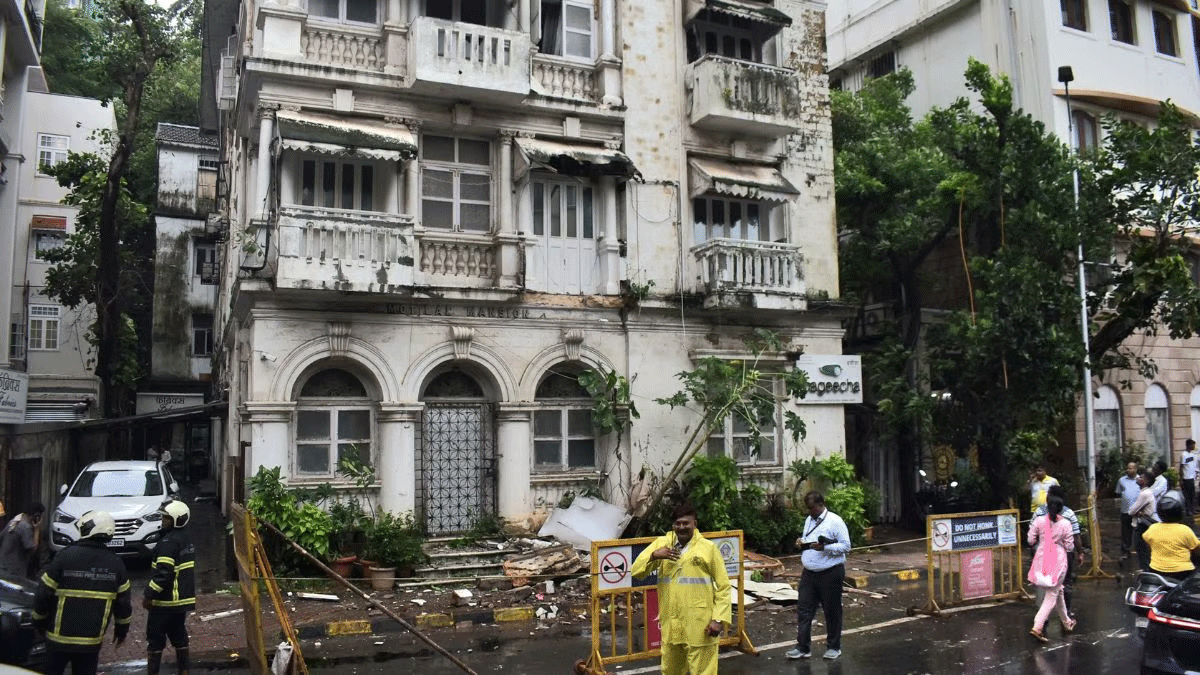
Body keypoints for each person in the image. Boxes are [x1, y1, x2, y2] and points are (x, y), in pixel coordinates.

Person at [630, 503, 730, 675]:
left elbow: (723, 586)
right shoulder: (662, 544)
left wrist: (718, 619)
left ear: (695, 524)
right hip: (672, 622)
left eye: (686, 523)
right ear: (673, 525)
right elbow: (636, 572)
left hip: (700, 623)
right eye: (678, 523)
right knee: (670, 670)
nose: (682, 527)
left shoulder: (708, 548)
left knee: (703, 671)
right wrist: (654, 556)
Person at [33, 510, 132, 675]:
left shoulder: (64, 557)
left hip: (57, 640)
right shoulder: (117, 564)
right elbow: (124, 606)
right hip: (90, 643)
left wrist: (39, 622)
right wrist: (121, 631)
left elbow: (43, 593)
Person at [786, 491, 852, 661]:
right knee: (804, 610)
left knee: (831, 611)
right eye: (808, 509)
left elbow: (846, 546)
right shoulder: (809, 520)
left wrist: (824, 548)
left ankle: (833, 647)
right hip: (809, 572)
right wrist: (802, 542)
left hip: (830, 572)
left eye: (813, 508)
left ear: (821, 504)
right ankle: (803, 647)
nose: (810, 512)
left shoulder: (835, 521)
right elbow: (810, 538)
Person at [144, 500, 196, 675]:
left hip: (165, 602)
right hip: (181, 602)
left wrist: (149, 594)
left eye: (166, 519)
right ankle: (184, 671)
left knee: (155, 639)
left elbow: (164, 574)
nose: (163, 522)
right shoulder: (186, 539)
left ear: (176, 520)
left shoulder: (168, 542)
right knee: (179, 636)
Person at [1027, 494, 1076, 642]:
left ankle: (1067, 622)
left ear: (1047, 506)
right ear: (1061, 510)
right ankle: (1037, 626)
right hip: (1058, 562)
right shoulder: (1066, 524)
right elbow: (1070, 546)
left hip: (1042, 559)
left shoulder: (1039, 520)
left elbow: (1030, 540)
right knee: (1051, 596)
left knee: (1057, 591)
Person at [1032, 486, 1082, 614]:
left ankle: (1044, 614)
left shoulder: (1039, 512)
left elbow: (1033, 534)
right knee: (1066, 582)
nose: (1046, 496)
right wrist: (1080, 552)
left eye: (1048, 494)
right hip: (1065, 553)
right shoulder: (1069, 513)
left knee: (1044, 583)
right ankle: (1066, 612)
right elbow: (1075, 535)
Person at [1141, 495, 1199, 583]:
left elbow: (1149, 546)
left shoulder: (1152, 528)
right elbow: (1196, 550)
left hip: (1156, 570)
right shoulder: (1185, 530)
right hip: (1183, 572)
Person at [0, 502, 44, 579]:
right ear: (37, 516)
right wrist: (37, 529)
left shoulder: (13, 522)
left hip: (3, 565)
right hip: (14, 570)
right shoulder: (25, 527)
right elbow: (33, 548)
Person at [1130, 469, 1160, 571]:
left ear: (1146, 481)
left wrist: (1137, 512)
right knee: (1143, 550)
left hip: (1144, 526)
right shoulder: (1145, 492)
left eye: (1142, 477)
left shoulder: (1145, 494)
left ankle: (1147, 572)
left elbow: (1131, 511)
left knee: (1142, 550)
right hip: (1144, 523)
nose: (1139, 478)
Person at [1116, 462, 1141, 555]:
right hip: (1125, 510)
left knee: (1138, 531)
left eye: (1131, 468)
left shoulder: (1140, 480)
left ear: (1136, 469)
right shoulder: (1121, 480)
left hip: (1138, 511)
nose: (1129, 470)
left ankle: (1138, 549)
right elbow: (1119, 493)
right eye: (1128, 468)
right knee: (1126, 532)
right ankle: (1125, 550)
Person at [1182, 440, 1198, 517]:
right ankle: (1188, 510)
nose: (1194, 447)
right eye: (1193, 445)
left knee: (1192, 494)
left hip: (1192, 477)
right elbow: (1182, 467)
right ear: (1188, 445)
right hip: (1186, 478)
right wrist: (1181, 479)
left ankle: (1192, 509)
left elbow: (1192, 465)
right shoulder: (1184, 454)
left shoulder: (1192, 454)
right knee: (1187, 495)